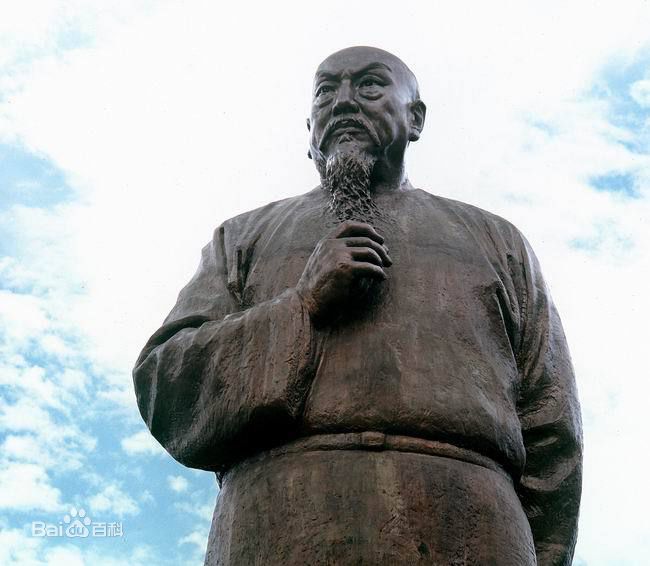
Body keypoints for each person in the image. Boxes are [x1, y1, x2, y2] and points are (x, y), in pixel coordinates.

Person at [133, 46, 582, 565]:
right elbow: (166, 384)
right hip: (278, 522)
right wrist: (301, 305)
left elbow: (552, 430)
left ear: (415, 119)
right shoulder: (241, 238)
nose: (343, 102)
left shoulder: (497, 241)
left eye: (369, 85)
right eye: (326, 91)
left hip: (470, 524)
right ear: (309, 127)